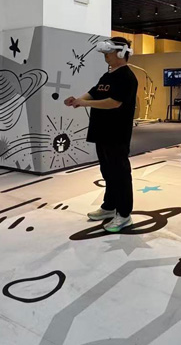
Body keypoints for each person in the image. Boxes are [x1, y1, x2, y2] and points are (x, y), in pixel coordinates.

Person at [65, 37, 138, 233]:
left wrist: (85, 103)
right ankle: (109, 206)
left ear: (121, 52)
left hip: (117, 133)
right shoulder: (107, 75)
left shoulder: (127, 77)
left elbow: (114, 102)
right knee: (107, 171)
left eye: (109, 51)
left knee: (120, 173)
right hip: (102, 131)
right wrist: (78, 100)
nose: (106, 55)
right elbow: (94, 92)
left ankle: (124, 214)